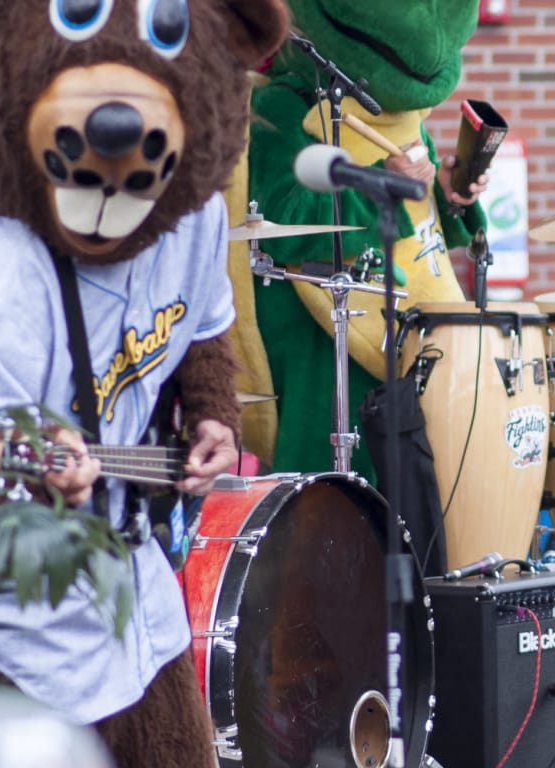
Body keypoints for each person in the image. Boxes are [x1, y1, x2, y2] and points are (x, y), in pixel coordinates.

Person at [0, 0, 287, 765]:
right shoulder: (7, 268)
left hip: (140, 605)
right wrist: (31, 462)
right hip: (18, 644)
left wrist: (212, 415)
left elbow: (203, 324)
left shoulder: (197, 216)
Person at [234, 0, 492, 482]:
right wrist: (382, 184)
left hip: (405, 327)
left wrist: (452, 194)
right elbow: (278, 220)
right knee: (333, 506)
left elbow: (425, 219)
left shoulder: (394, 114)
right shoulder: (281, 106)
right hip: (320, 333)